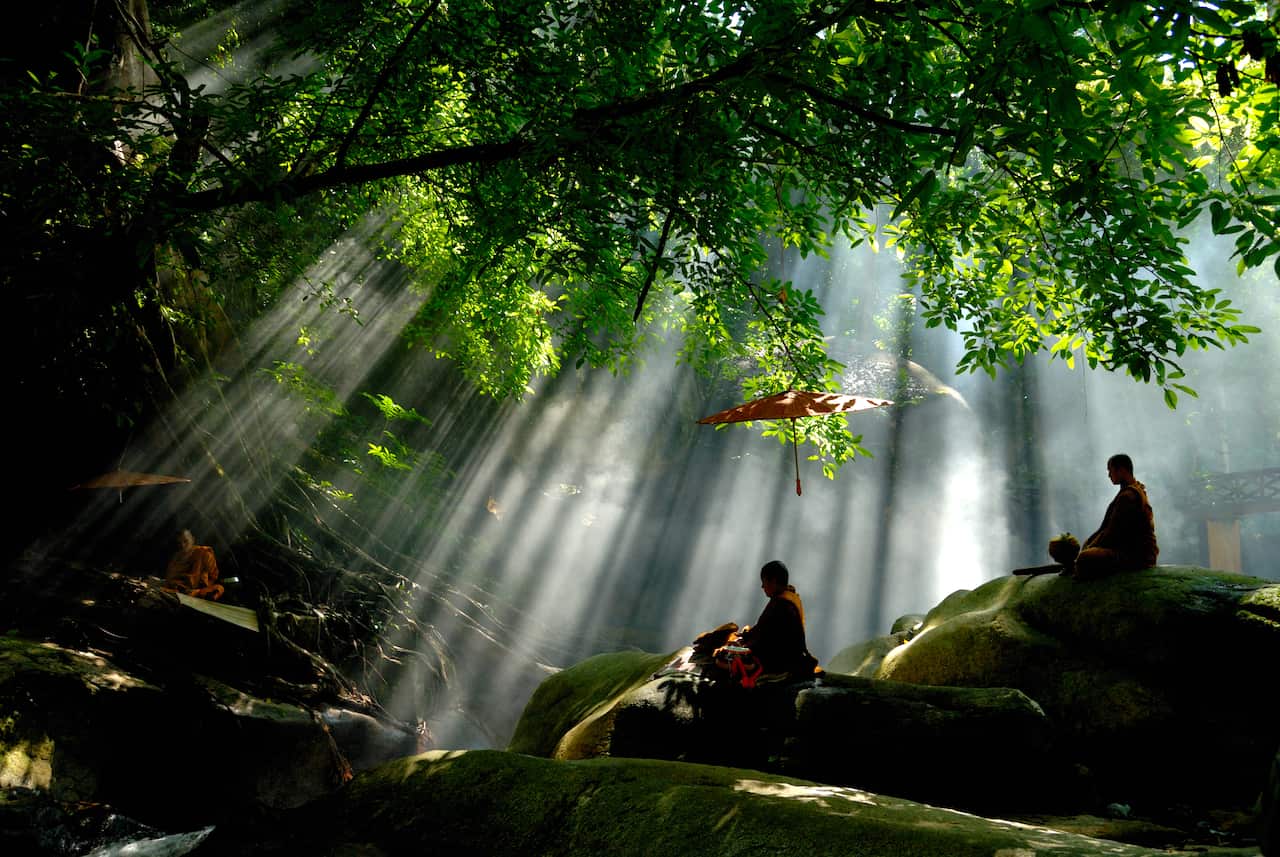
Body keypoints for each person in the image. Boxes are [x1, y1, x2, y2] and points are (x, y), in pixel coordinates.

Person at [1071, 453, 1158, 579]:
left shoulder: (1129, 496)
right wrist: (1090, 543)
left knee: (1085, 558)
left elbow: (1112, 534)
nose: (1109, 475)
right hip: (1130, 551)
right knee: (1087, 545)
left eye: (1110, 471)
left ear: (1121, 470)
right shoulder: (1132, 489)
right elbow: (1106, 528)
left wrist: (1089, 549)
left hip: (1137, 556)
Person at [734, 560, 819, 678]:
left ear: (773, 581)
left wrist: (745, 645)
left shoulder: (782, 605)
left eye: (764, 582)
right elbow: (763, 629)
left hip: (782, 661)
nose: (762, 586)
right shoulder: (786, 598)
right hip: (788, 656)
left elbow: (767, 638)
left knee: (728, 662)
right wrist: (747, 636)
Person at [163, 529, 225, 600]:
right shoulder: (176, 556)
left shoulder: (204, 553)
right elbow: (170, 576)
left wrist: (202, 587)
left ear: (193, 540)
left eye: (185, 541)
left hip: (196, 591)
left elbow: (213, 576)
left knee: (219, 588)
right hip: (177, 590)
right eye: (179, 543)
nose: (182, 545)